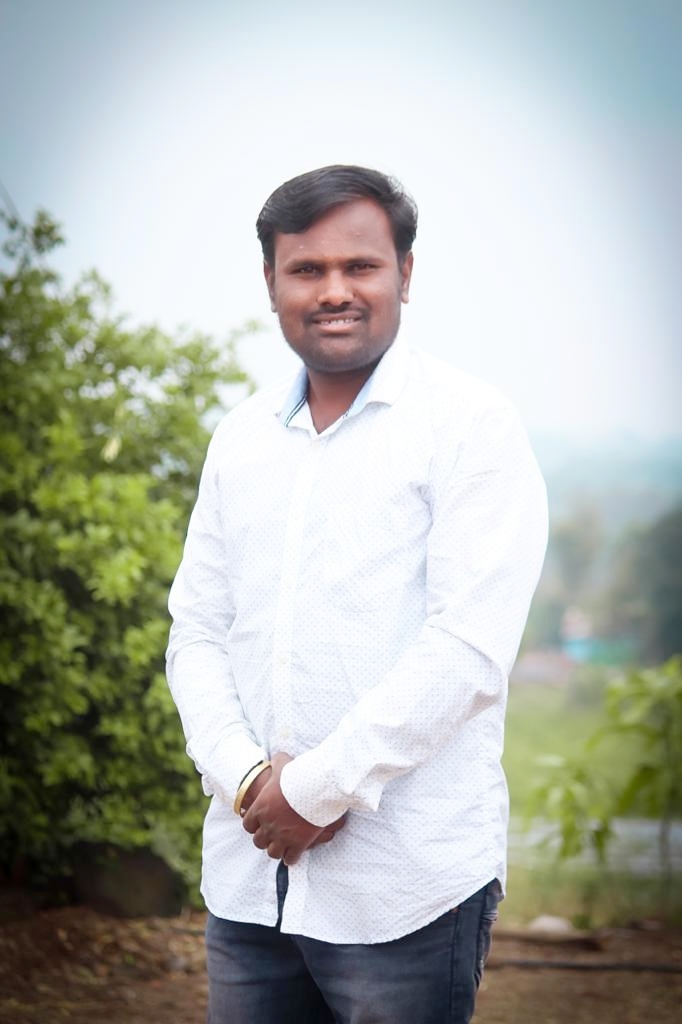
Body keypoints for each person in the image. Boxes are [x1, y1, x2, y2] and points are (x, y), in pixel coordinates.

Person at [166, 164, 548, 1023]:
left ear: (404, 274)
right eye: (307, 269)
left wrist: (316, 790)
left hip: (404, 887)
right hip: (247, 879)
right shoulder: (240, 438)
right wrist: (250, 779)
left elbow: (468, 649)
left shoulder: (472, 426)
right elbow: (197, 631)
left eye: (360, 266)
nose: (334, 290)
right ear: (271, 283)